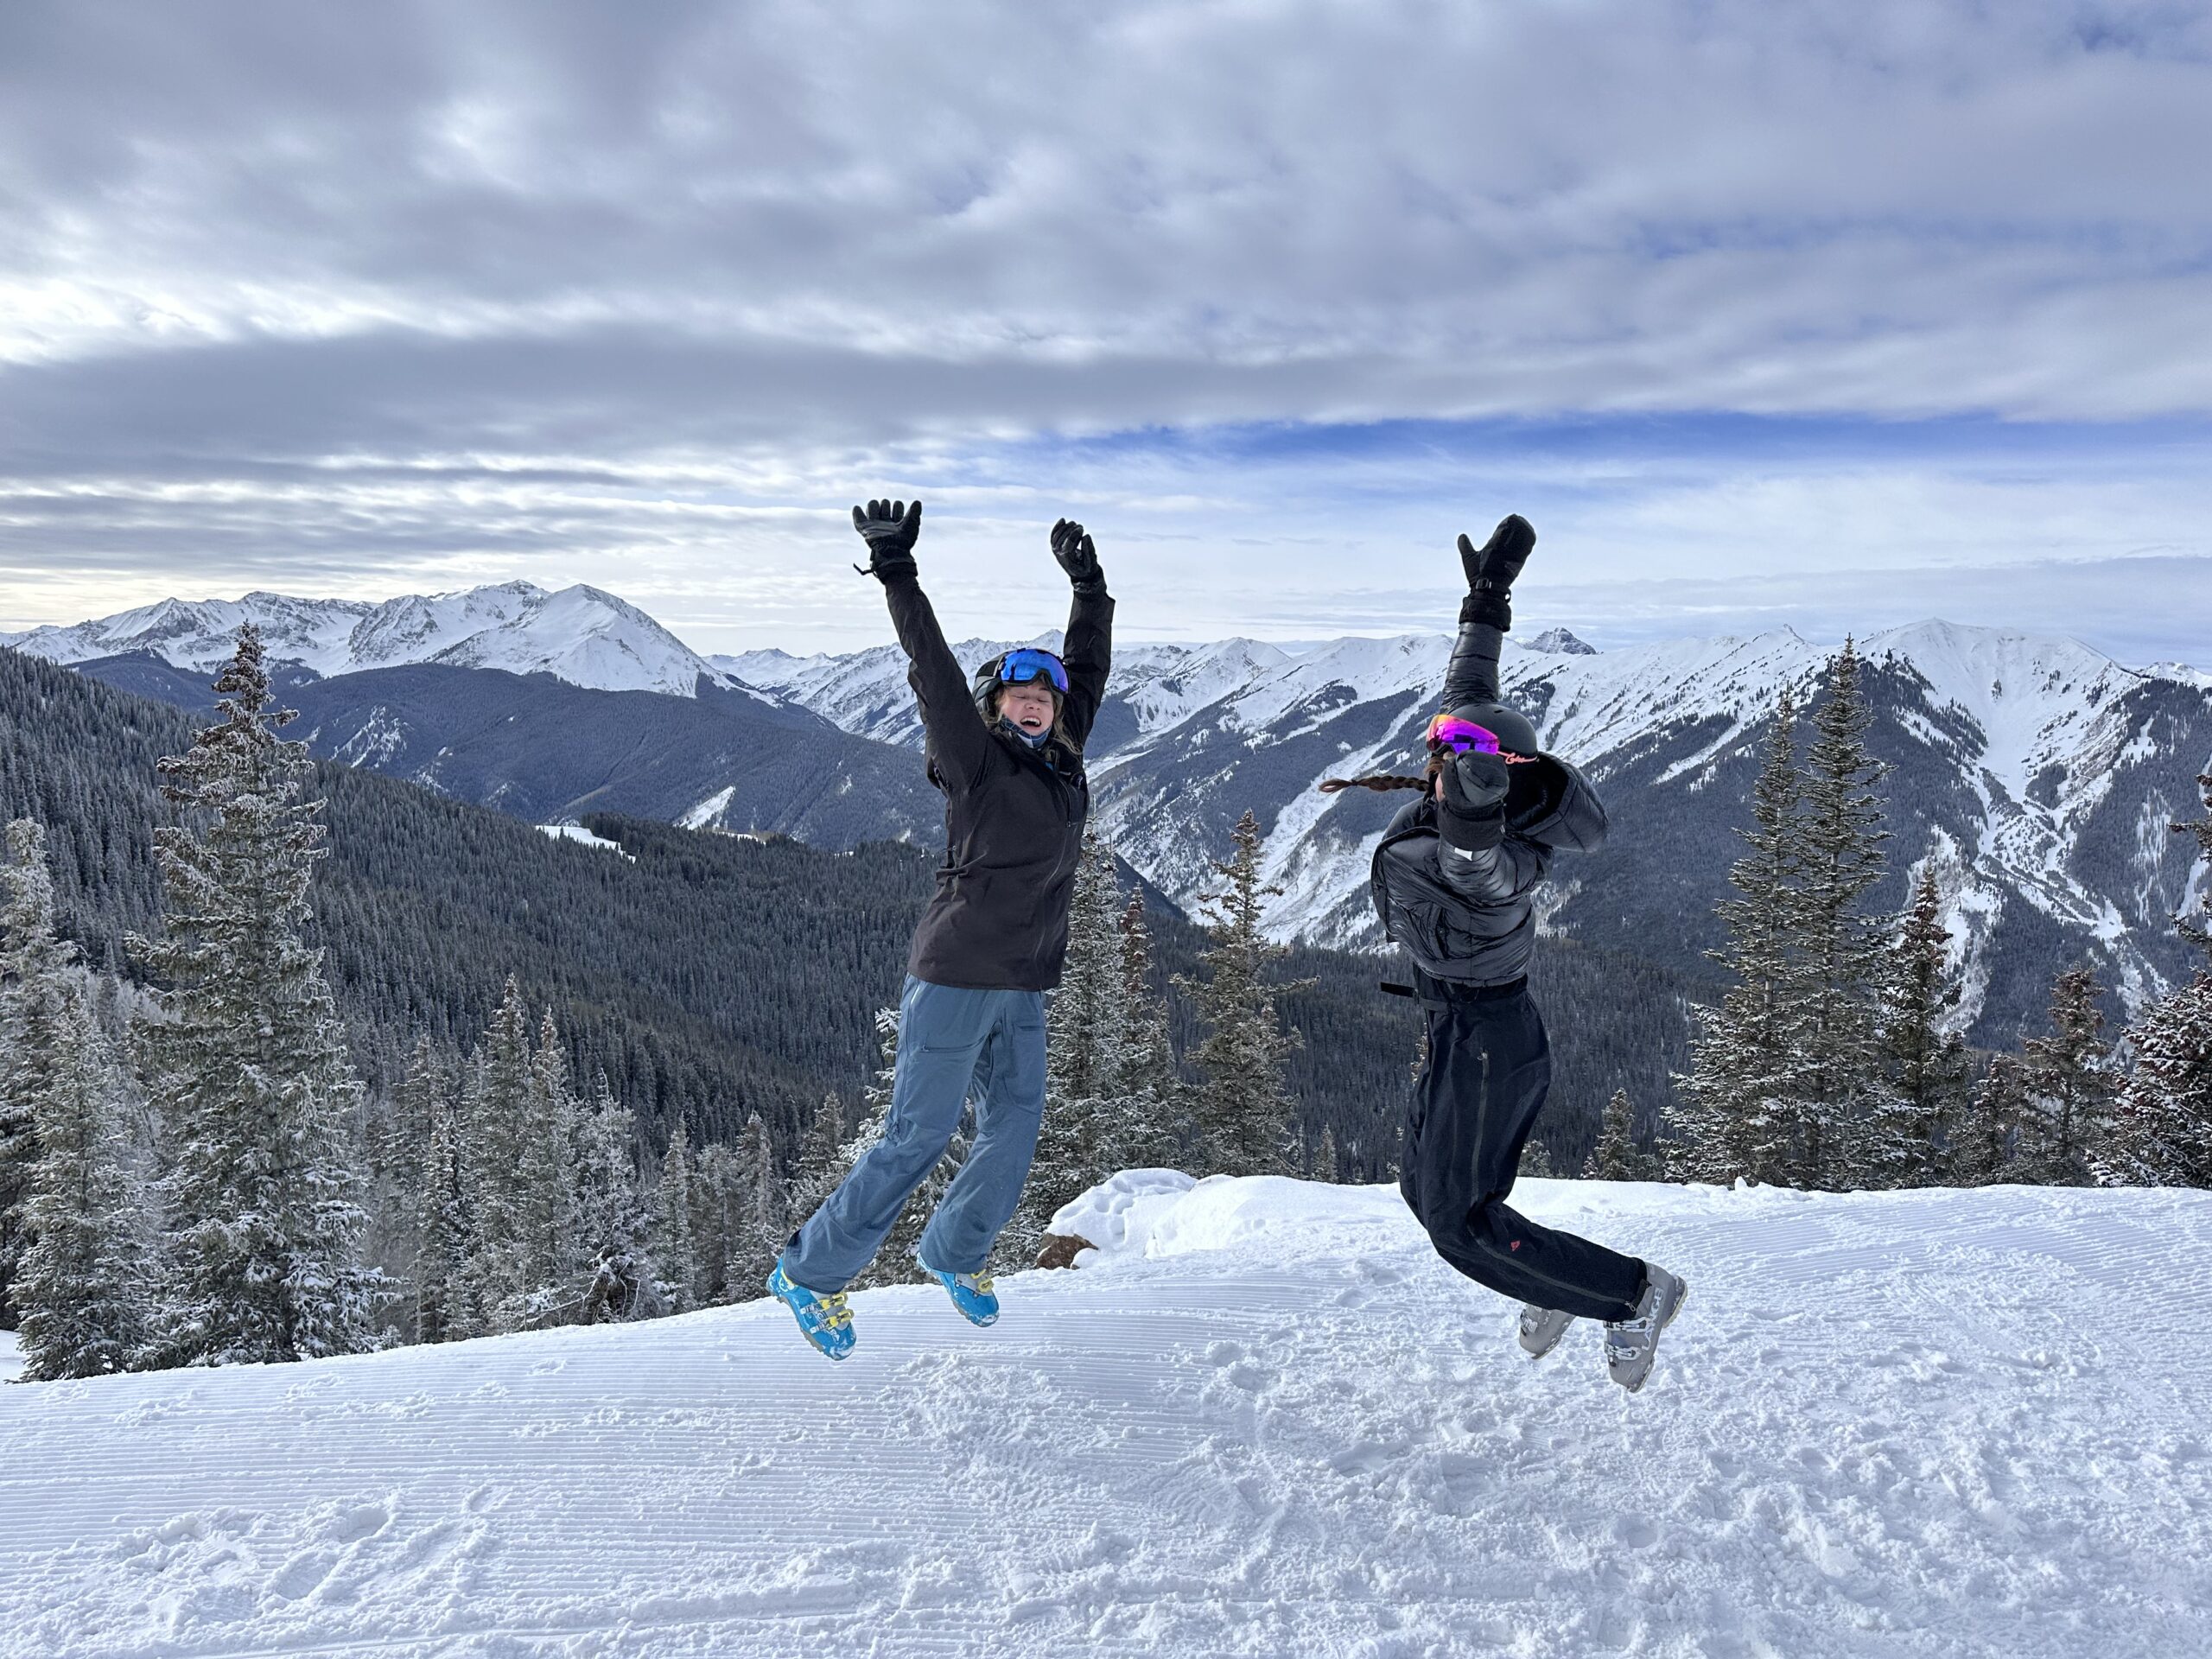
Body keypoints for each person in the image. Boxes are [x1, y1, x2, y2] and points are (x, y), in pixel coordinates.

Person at [1320, 514, 1687, 1392]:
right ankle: (1549, 1280)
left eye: (1473, 756)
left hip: (1488, 1041)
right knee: (1428, 1193)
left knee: (1459, 1223)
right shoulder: (1463, 773)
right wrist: (1487, 601)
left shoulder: (1489, 857)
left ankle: (1635, 1293)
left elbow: (1472, 857)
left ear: (1511, 776)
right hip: (1469, 1033)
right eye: (1444, 747)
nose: (1447, 757)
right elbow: (1467, 691)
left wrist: (1476, 798)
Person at [767, 498, 1113, 1361]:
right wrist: (896, 569)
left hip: (1024, 981)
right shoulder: (974, 759)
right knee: (917, 1135)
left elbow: (1089, 669)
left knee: (1015, 1125)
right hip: (957, 975)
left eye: (1045, 698)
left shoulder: (1062, 760)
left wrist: (1089, 589)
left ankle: (953, 1253)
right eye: (1018, 696)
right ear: (995, 705)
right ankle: (809, 1274)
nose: (1034, 706)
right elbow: (931, 673)